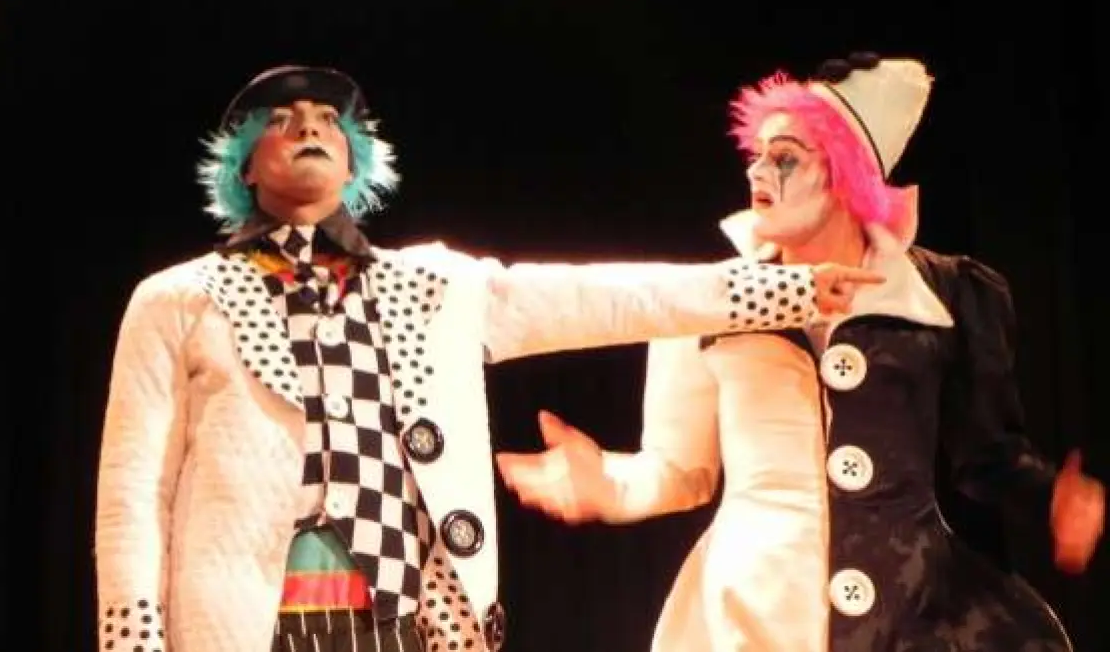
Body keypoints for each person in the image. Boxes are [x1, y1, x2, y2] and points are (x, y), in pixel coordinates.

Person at [92, 64, 884, 652]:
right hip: (248, 620)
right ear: (241, 163)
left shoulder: (431, 286)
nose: (308, 127)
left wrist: (788, 290)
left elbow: (607, 297)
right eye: (281, 119)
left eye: (327, 119)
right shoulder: (179, 300)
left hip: (402, 618)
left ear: (355, 159)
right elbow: (133, 496)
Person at [496, 53, 1106, 651]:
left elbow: (988, 456)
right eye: (756, 156)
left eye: (783, 157)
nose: (757, 172)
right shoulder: (709, 301)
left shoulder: (942, 294)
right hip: (757, 610)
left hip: (910, 610)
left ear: (845, 176)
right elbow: (679, 470)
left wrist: (1051, 499)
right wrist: (606, 483)